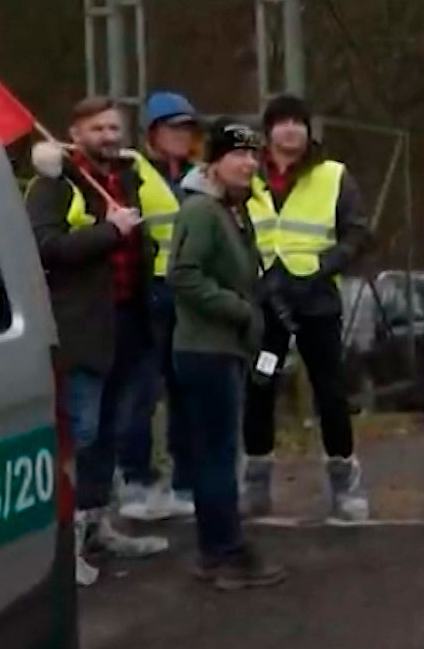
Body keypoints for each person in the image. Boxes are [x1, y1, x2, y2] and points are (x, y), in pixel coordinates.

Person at [25, 96, 172, 585]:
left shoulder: (127, 175)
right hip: (80, 328)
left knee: (108, 431)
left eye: (114, 127)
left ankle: (96, 526)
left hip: (128, 320)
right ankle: (59, 548)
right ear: (76, 131)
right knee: (78, 434)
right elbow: (44, 247)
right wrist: (110, 231)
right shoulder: (54, 182)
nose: (108, 136)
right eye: (97, 128)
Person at [241, 94, 372, 523]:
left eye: (298, 122)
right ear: (269, 131)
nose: (290, 131)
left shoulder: (334, 176)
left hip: (315, 299)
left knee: (330, 392)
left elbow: (357, 232)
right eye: (281, 123)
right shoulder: (248, 173)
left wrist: (322, 266)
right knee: (259, 387)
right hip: (265, 299)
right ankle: (256, 483)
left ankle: (344, 485)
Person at [169, 121, 288, 590]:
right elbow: (184, 275)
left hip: (225, 347)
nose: (249, 163)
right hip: (205, 348)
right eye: (238, 155)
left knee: (217, 452)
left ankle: (214, 549)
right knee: (217, 455)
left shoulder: (232, 211)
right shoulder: (202, 211)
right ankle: (225, 552)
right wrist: (239, 310)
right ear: (214, 162)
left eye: (254, 155)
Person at [111, 90, 204, 523]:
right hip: (150, 294)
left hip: (193, 294)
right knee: (141, 391)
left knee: (188, 393)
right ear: (152, 133)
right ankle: (136, 479)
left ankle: (186, 482)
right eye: (173, 128)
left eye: (187, 129)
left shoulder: (201, 175)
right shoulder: (132, 172)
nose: (181, 136)